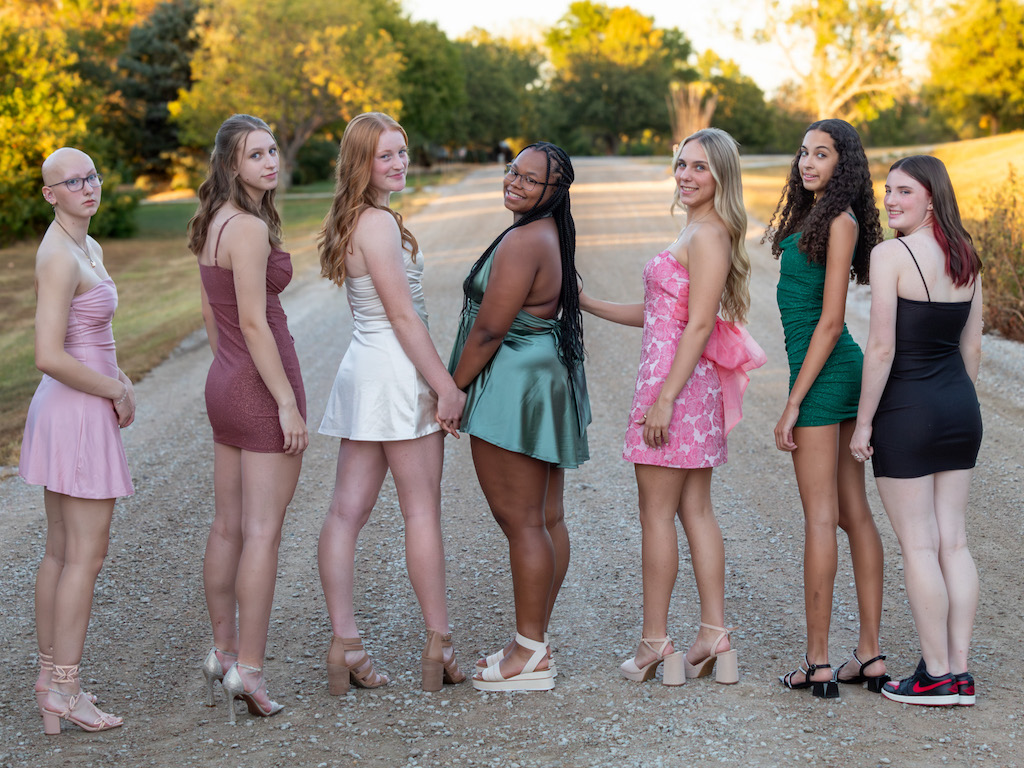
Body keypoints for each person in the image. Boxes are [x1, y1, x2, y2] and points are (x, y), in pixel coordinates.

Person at [579, 128, 765, 686]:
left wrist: (662, 401)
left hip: (675, 388)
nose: (685, 175)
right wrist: (586, 302)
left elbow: (701, 323)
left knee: (657, 514)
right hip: (684, 384)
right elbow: (662, 314)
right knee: (694, 511)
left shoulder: (709, 234)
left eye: (699, 168)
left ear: (721, 176)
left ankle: (655, 643)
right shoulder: (699, 229)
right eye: (681, 164)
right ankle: (713, 634)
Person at [316, 112, 467, 694]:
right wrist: (445, 386)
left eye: (402, 152)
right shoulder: (376, 224)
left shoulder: (357, 219)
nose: (399, 163)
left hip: (365, 371)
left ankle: (345, 643)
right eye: (385, 156)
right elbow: (404, 317)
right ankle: (439, 643)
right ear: (361, 162)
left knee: (344, 512)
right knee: (420, 511)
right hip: (397, 375)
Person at [449, 142, 590, 692]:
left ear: (554, 192)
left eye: (531, 179)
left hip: (513, 383)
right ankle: (530, 644)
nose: (516, 182)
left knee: (523, 523)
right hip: (539, 376)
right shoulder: (545, 233)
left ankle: (530, 655)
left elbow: (487, 329)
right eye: (513, 171)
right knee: (546, 518)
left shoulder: (525, 239)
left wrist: (452, 389)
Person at [850, 155, 983, 707]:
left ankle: (932, 676)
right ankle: (959, 673)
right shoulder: (967, 254)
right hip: (959, 407)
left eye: (905, 191)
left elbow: (881, 347)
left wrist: (863, 423)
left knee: (921, 544)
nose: (891, 200)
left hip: (907, 409)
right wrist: (957, 403)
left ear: (932, 197)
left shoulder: (891, 255)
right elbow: (970, 347)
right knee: (953, 540)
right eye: (888, 191)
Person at [188, 114, 308, 723]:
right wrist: (284, 400)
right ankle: (250, 670)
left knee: (228, 526)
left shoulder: (214, 222)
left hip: (225, 381)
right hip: (261, 386)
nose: (269, 162)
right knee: (262, 531)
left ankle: (222, 651)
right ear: (231, 164)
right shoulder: (250, 229)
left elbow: (215, 318)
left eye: (271, 151)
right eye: (255, 155)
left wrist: (231, 372)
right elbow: (255, 323)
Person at [768, 118, 888, 699]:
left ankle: (821, 661)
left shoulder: (839, 221)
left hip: (827, 373)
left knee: (825, 516)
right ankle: (867, 657)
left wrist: (792, 403)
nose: (807, 163)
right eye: (803, 153)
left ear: (845, 165)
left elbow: (833, 320)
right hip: (828, 371)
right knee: (848, 513)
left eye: (822, 154)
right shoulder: (812, 219)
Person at [21, 147, 133, 735]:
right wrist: (113, 390)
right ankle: (65, 689)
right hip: (77, 411)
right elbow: (47, 354)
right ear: (50, 194)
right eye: (72, 181)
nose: (87, 187)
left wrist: (122, 376)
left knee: (63, 552)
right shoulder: (58, 257)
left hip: (78, 405)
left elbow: (96, 334)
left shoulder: (86, 245)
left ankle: (49, 681)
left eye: (91, 175)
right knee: (81, 557)